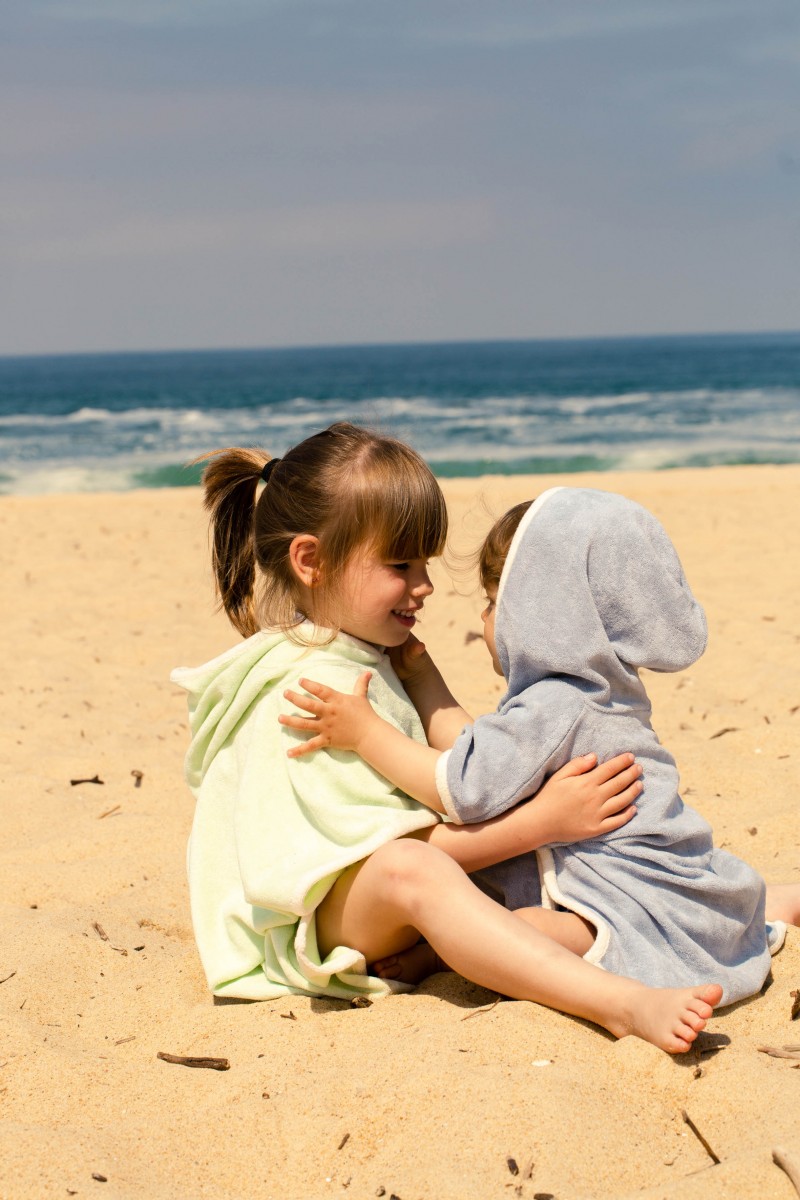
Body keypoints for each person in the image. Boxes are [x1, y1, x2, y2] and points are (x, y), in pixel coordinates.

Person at [173, 426, 721, 1053]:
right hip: (320, 914)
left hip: (373, 893)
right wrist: (542, 823)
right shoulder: (312, 689)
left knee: (535, 869)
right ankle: (618, 1003)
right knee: (415, 869)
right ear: (311, 561)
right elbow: (381, 847)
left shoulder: (370, 656)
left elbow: (460, 767)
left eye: (425, 563)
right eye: (399, 565)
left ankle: (714, 910)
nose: (425, 585)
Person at [281, 485, 798, 1006]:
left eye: (492, 603)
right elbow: (482, 755)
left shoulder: (556, 705)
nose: (484, 620)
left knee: (527, 927)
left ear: (543, 615)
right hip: (661, 873)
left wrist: (366, 732)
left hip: (620, 894)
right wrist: (423, 678)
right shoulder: (598, 690)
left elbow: (461, 787)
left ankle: (449, 954)